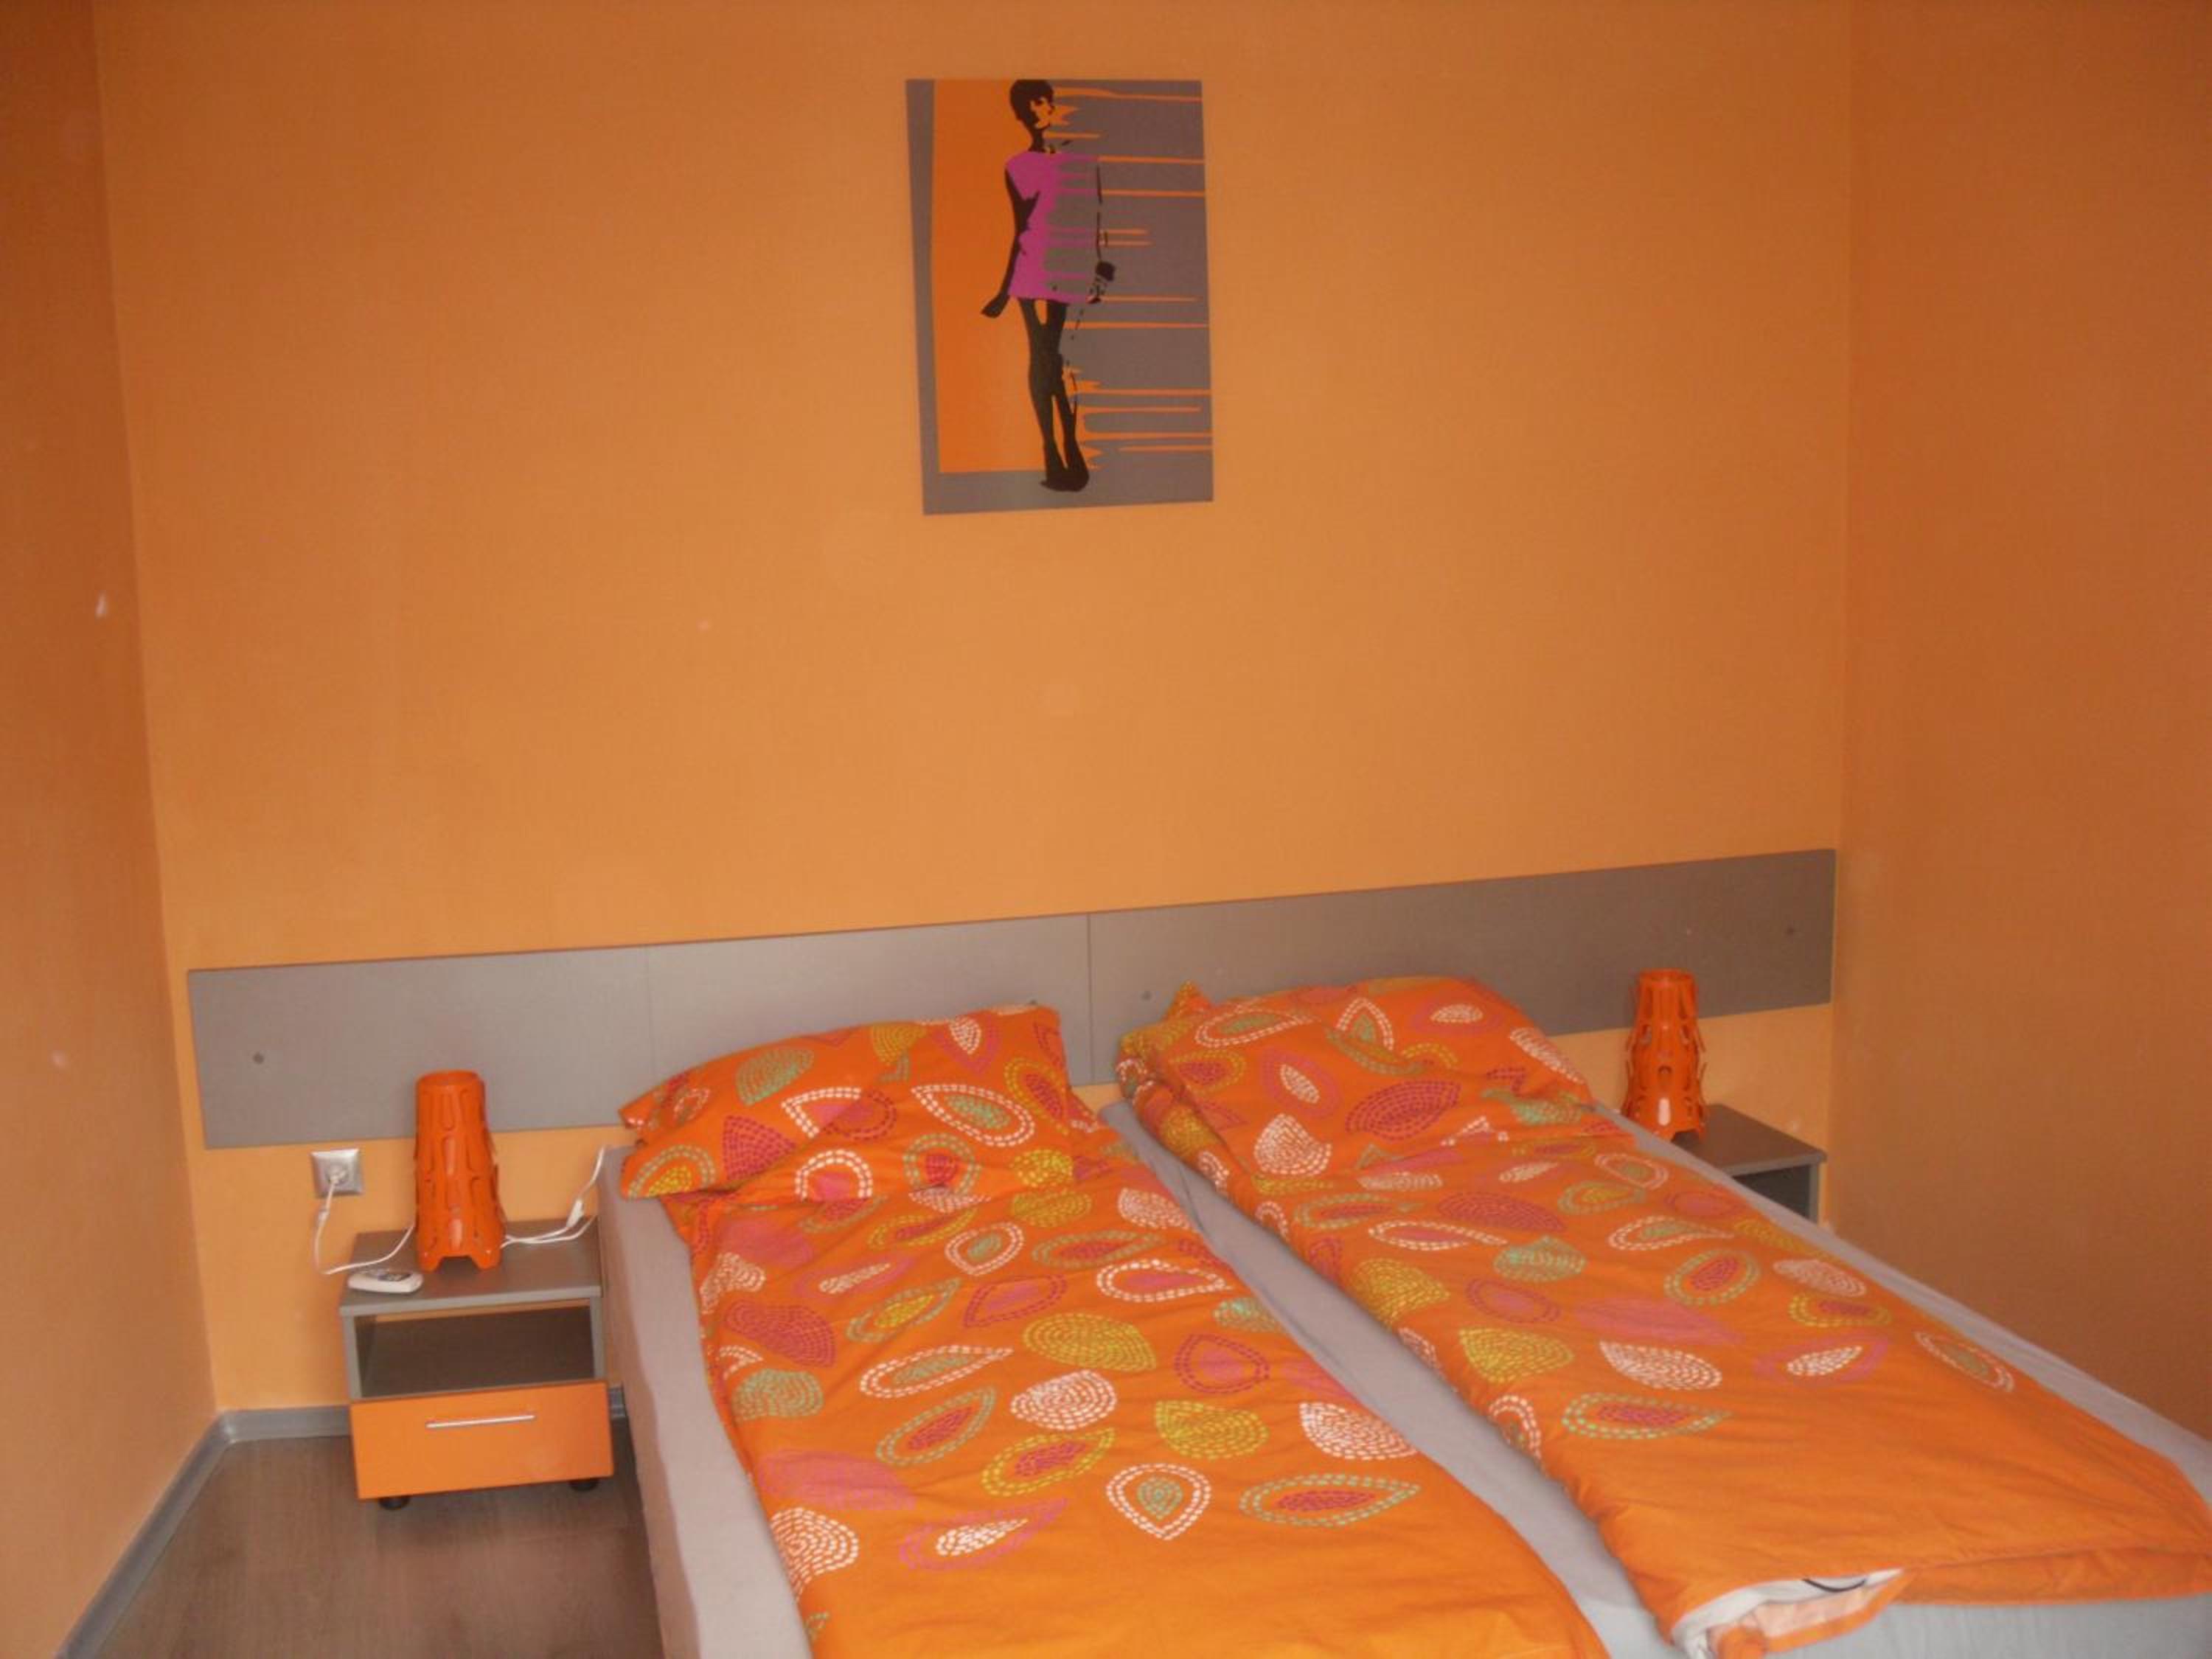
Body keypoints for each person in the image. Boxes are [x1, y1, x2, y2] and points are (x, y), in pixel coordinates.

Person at [981, 79, 1115, 492]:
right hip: (1031, 274)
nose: (1037, 110)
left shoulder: (1085, 163)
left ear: (1053, 106)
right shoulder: (1016, 166)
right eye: (1028, 105)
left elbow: (1099, 219)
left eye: (1043, 101)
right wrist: (1005, 290)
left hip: (1072, 273)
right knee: (1042, 362)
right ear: (1020, 115)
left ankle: (1071, 450)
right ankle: (1053, 453)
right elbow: (1020, 229)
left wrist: (1102, 274)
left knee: (1061, 362)